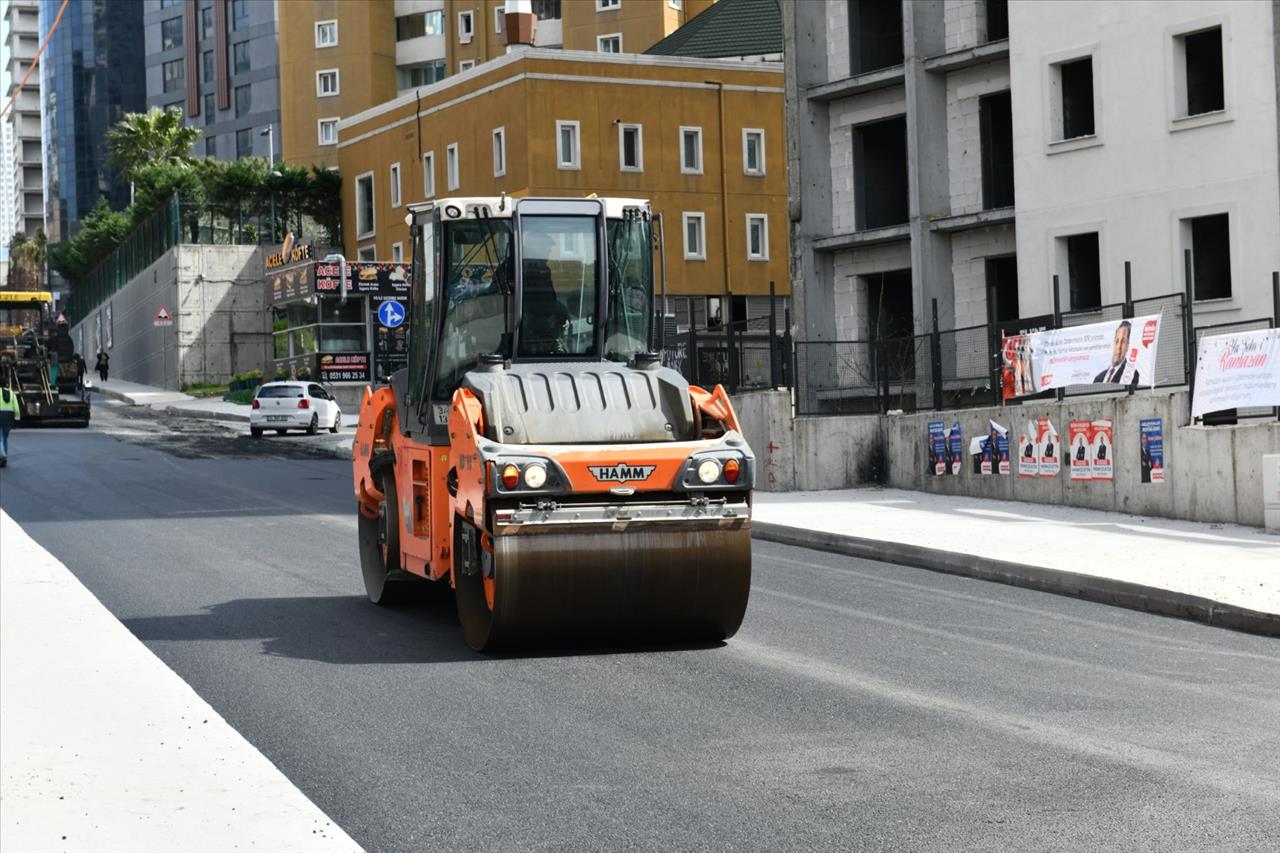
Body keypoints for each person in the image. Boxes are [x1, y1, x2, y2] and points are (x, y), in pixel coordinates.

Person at [0, 384, 20, 467]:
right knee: (5, 438)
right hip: (9, 417)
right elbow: (16, 407)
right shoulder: (12, 393)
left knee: (0, 438)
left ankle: (2, 455)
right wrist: (17, 419)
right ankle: (4, 458)